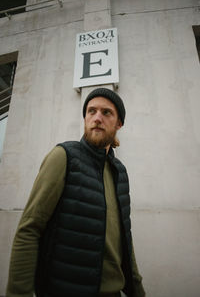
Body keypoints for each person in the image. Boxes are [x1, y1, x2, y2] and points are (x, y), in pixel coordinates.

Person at [6, 88, 145, 297]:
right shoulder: (64, 156)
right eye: (91, 111)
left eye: (106, 113)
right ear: (85, 118)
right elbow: (29, 230)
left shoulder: (120, 172)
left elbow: (126, 239)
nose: (97, 118)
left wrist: (138, 290)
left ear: (119, 124)